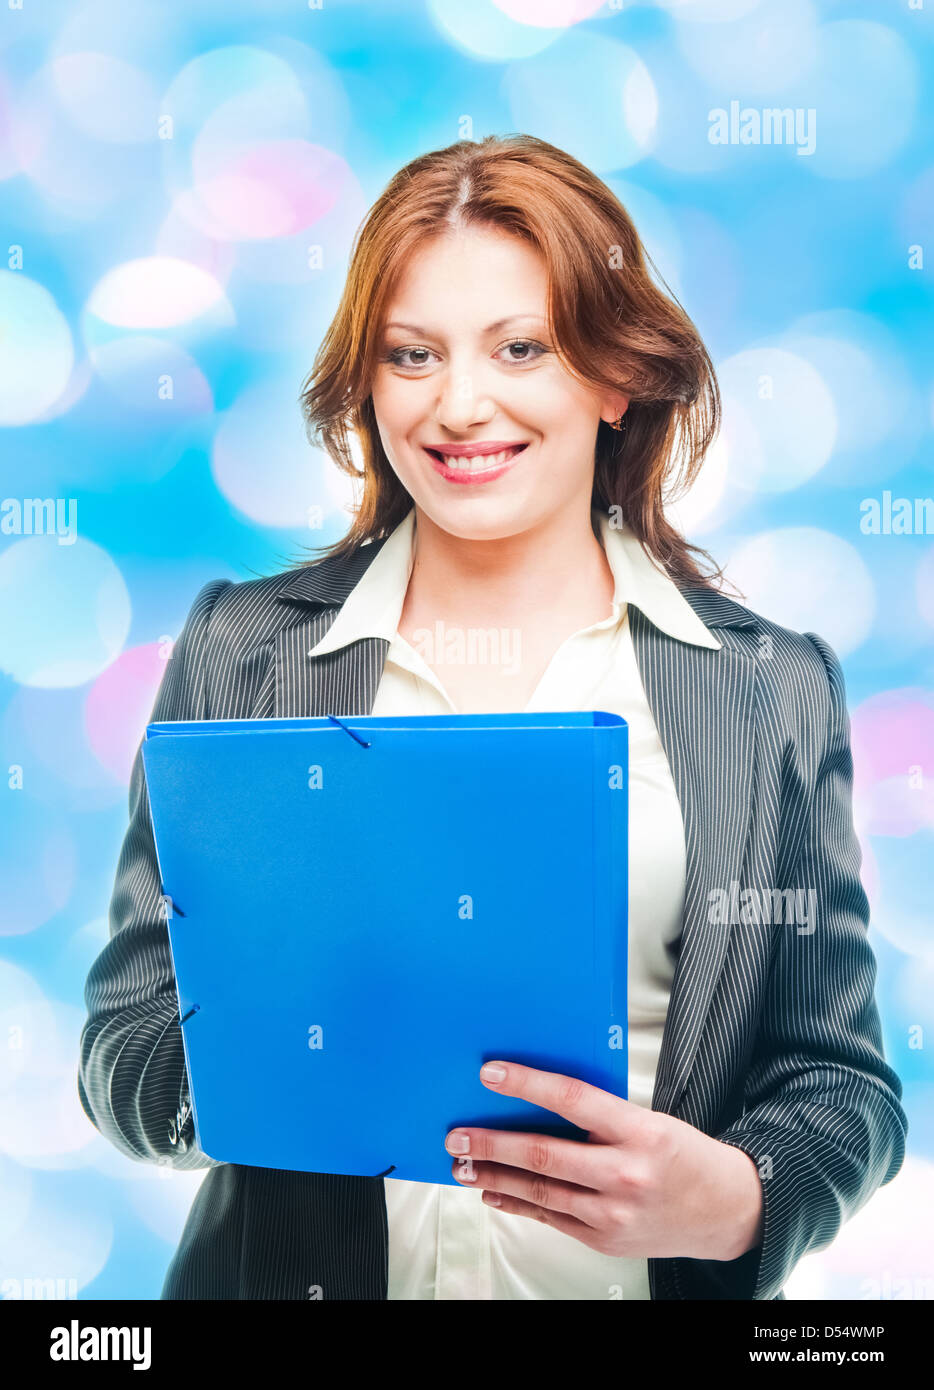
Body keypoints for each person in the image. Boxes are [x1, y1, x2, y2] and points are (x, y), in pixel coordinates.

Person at [77, 133, 907, 1301]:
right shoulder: (243, 651)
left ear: (614, 376)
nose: (460, 405)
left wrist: (735, 1197)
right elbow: (123, 1048)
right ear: (368, 386)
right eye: (411, 355)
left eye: (520, 348)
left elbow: (840, 1080)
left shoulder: (765, 685)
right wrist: (283, 1045)